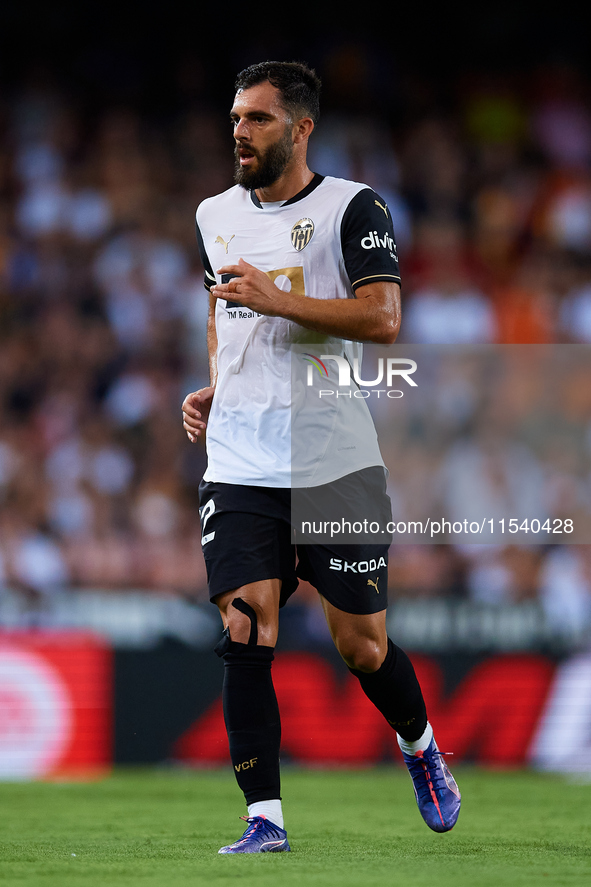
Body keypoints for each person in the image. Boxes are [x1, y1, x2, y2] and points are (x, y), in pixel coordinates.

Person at [182, 60, 460, 854]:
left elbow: (382, 318)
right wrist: (214, 385)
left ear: (301, 128)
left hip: (334, 458)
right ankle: (263, 817)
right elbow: (220, 307)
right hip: (239, 459)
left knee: (360, 646)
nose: (240, 131)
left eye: (258, 119)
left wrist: (277, 298)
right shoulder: (212, 213)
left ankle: (420, 748)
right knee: (245, 627)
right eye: (235, 116)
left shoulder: (352, 207)